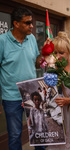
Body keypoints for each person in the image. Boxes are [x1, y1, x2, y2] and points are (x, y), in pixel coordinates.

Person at [0, 7, 44, 150]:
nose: (32, 26)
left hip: (33, 93)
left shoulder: (31, 38)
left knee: (40, 132)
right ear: (16, 24)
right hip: (11, 96)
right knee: (14, 135)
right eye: (27, 23)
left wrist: (44, 54)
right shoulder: (2, 41)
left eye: (32, 22)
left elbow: (36, 62)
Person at [45, 31, 70, 150]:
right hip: (57, 114)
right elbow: (47, 91)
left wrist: (69, 100)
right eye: (55, 53)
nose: (58, 56)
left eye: (61, 52)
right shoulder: (53, 67)